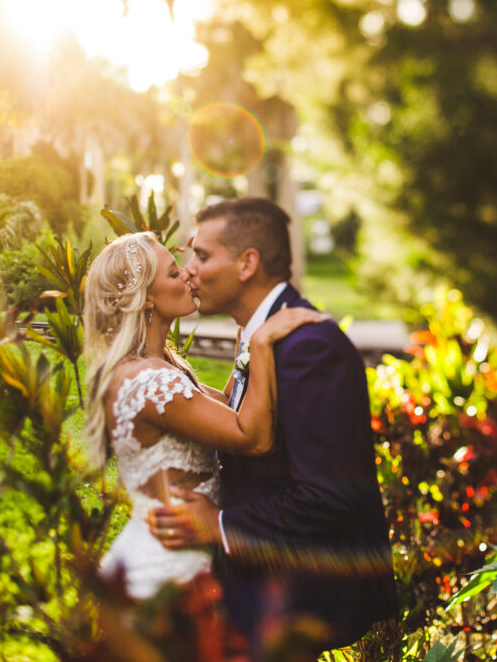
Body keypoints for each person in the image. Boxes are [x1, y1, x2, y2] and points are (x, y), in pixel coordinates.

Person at [148, 197, 398, 655]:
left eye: (202, 256)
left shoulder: (307, 348)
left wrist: (220, 525)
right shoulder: (259, 334)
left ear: (247, 263)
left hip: (297, 598)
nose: (190, 270)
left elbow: (328, 495)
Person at [83, 230, 324, 601]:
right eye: (173, 273)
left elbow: (227, 406)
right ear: (147, 299)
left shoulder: (155, 367)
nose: (188, 276)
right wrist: (260, 346)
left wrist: (246, 332)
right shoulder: (150, 381)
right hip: (168, 569)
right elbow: (252, 437)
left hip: (184, 553)